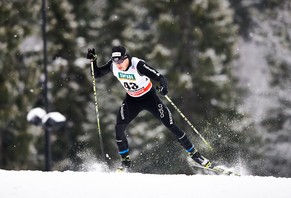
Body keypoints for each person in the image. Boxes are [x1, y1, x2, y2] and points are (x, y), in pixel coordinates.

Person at [86, 46, 212, 171]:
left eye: (120, 61)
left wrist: (163, 87)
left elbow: (159, 77)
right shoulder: (113, 65)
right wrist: (93, 61)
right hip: (132, 101)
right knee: (119, 128)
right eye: (115, 61)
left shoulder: (138, 64)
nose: (118, 64)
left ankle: (195, 155)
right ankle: (125, 163)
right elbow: (96, 74)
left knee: (170, 124)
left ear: (126, 58)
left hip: (149, 98)